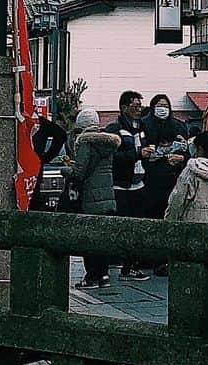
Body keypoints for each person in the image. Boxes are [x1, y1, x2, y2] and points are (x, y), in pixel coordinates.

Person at [64, 107, 120, 289]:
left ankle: (91, 277)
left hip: (91, 198)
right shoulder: (108, 144)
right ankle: (103, 276)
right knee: (103, 238)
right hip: (108, 196)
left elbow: (79, 173)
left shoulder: (85, 143)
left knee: (88, 238)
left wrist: (64, 170)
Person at [141, 94, 189, 274]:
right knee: (151, 217)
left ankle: (166, 259)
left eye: (165, 105)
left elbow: (187, 152)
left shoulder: (178, 126)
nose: (163, 108)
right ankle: (151, 258)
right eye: (159, 105)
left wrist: (181, 158)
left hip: (173, 179)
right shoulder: (145, 125)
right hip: (150, 180)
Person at [106, 90, 150, 280]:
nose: (139, 109)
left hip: (139, 184)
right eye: (135, 106)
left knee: (138, 226)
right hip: (121, 185)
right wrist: (138, 155)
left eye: (140, 105)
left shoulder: (141, 128)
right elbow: (114, 157)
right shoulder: (115, 129)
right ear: (124, 108)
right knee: (122, 226)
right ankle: (118, 261)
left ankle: (131, 265)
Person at [166, 130, 208, 225]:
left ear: (200, 148)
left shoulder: (191, 171)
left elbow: (177, 200)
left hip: (192, 224)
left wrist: (169, 222)